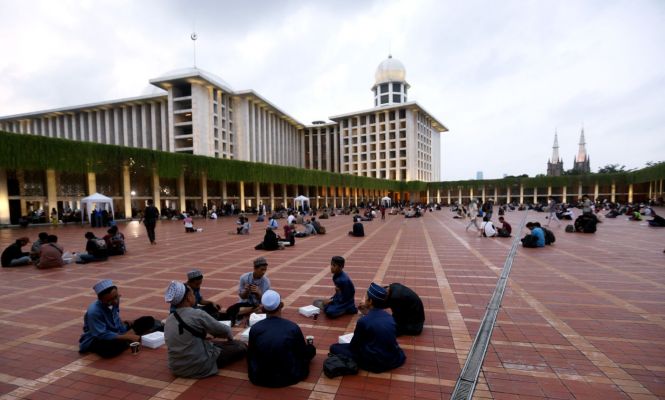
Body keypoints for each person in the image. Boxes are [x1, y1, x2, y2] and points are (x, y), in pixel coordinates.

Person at [164, 281, 246, 378]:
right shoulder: (197, 314)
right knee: (241, 346)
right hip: (199, 366)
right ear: (188, 298)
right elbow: (224, 330)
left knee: (213, 343)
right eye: (192, 293)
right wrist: (231, 341)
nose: (194, 295)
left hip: (176, 367)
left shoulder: (169, 318)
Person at [329, 283, 406, 373]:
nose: (364, 300)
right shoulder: (390, 317)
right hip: (391, 357)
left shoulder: (363, 321)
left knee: (334, 347)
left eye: (366, 298)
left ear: (370, 301)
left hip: (375, 361)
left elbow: (354, 346)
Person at [247, 290, 316, 387]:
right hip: (288, 377)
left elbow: (252, 352)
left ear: (263, 308)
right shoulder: (292, 327)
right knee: (310, 349)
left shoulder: (255, 328)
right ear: (281, 305)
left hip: (261, 377)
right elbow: (302, 353)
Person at [79, 279, 161, 358]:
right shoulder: (94, 312)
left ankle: (127, 340)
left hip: (118, 330)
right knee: (110, 350)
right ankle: (127, 340)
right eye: (110, 300)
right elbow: (102, 334)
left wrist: (123, 323)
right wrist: (127, 336)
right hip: (98, 338)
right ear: (100, 300)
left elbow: (114, 317)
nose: (115, 301)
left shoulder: (115, 300)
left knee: (148, 320)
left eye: (116, 297)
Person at [226, 257, 271, 324]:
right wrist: (246, 291)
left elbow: (265, 301)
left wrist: (259, 293)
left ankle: (245, 313)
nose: (263, 272)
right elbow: (242, 297)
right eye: (261, 270)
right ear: (255, 268)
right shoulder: (244, 278)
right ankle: (248, 312)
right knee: (230, 310)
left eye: (265, 270)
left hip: (257, 305)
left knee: (266, 307)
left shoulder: (266, 281)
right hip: (245, 304)